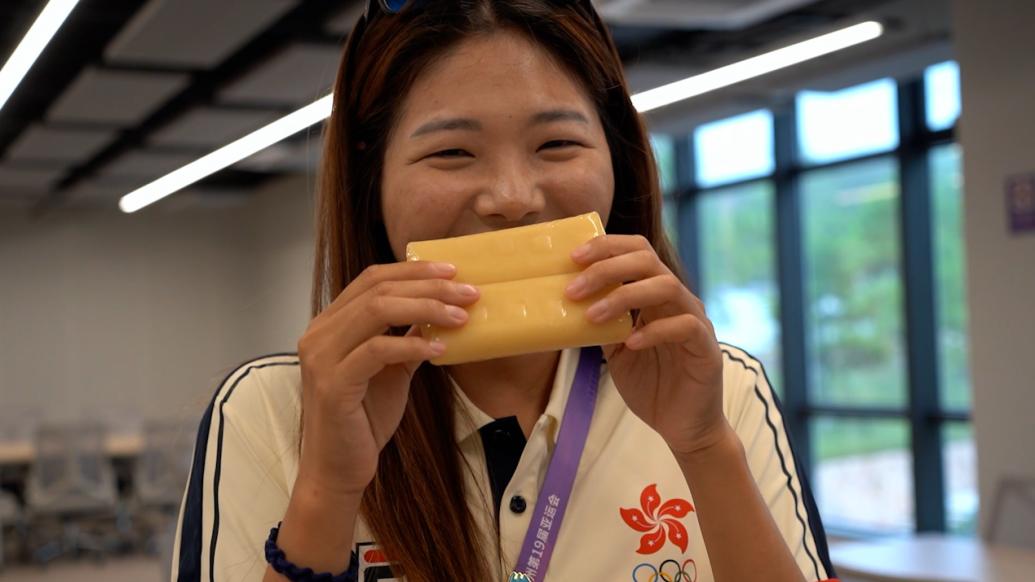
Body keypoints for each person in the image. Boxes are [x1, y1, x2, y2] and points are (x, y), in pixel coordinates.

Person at [171, 1, 838, 581]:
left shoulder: (722, 391)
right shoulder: (270, 410)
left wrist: (702, 449)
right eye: (451, 154)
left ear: (617, 158)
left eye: (556, 143)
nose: (512, 199)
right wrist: (327, 488)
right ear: (372, 184)